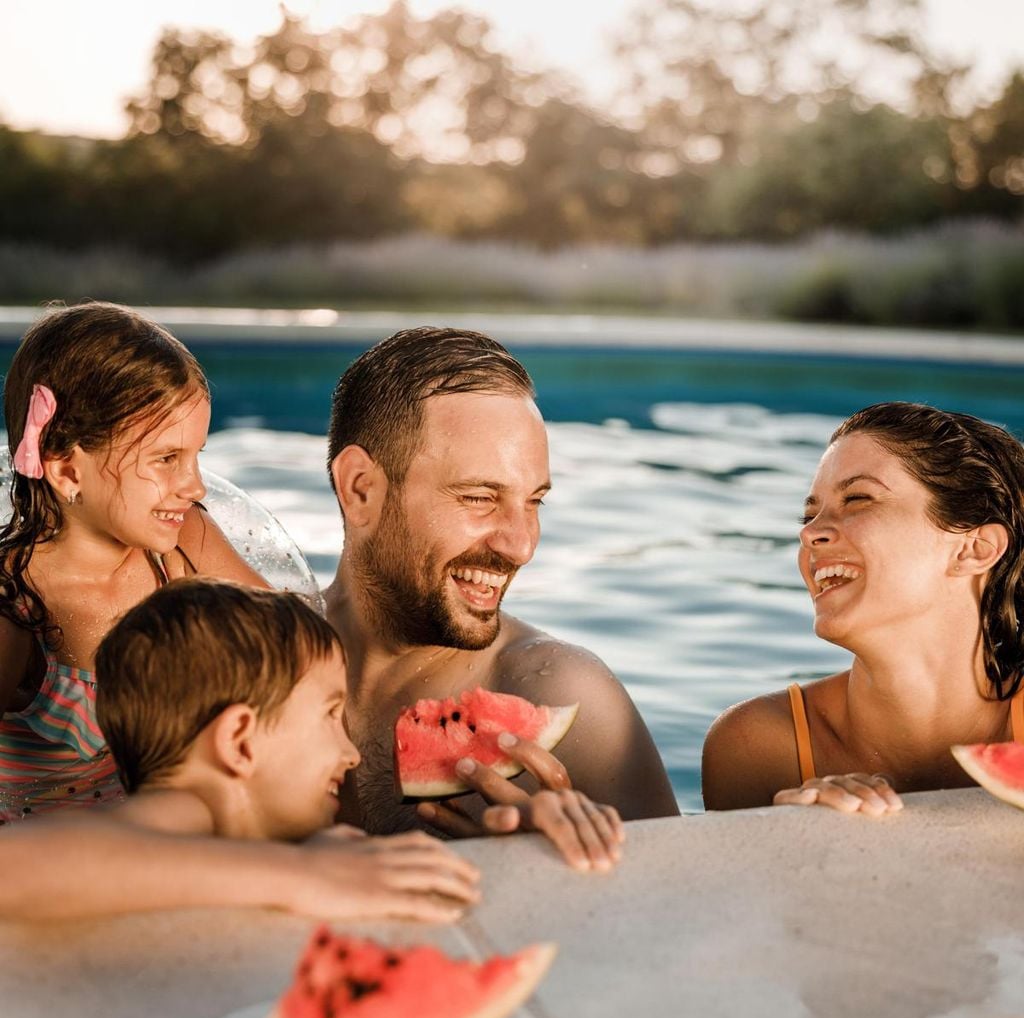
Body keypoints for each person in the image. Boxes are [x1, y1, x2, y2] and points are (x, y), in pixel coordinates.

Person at [324, 326, 679, 869]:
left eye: (533, 501)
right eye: (479, 497)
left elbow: (676, 911)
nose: (522, 545)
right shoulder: (247, 660)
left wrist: (535, 878)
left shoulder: (571, 699)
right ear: (361, 489)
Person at [0, 578, 480, 921]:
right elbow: (14, 867)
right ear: (237, 743)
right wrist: (303, 875)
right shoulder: (181, 815)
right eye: (330, 715)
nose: (350, 753)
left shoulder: (233, 846)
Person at [0, 302, 267, 818]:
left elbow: (294, 650)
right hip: (50, 868)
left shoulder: (181, 546)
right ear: (66, 469)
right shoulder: (16, 611)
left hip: (172, 837)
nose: (195, 486)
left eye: (196, 456)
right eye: (167, 460)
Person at [702, 402, 1024, 815]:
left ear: (974, 549)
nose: (810, 532)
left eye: (857, 499)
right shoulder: (756, 745)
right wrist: (794, 833)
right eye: (808, 513)